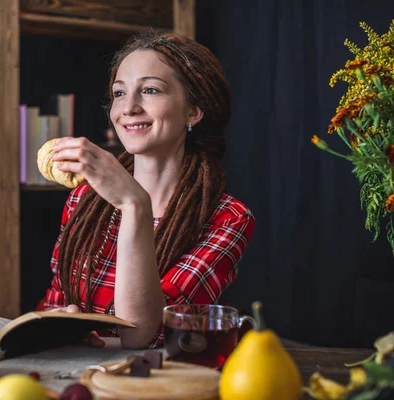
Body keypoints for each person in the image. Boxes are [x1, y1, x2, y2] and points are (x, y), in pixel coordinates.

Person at [43, 30, 256, 349]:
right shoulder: (82, 200)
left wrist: (134, 205)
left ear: (193, 111)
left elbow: (144, 334)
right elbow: (52, 302)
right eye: (119, 93)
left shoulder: (228, 219)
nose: (128, 108)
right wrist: (60, 324)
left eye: (151, 90)